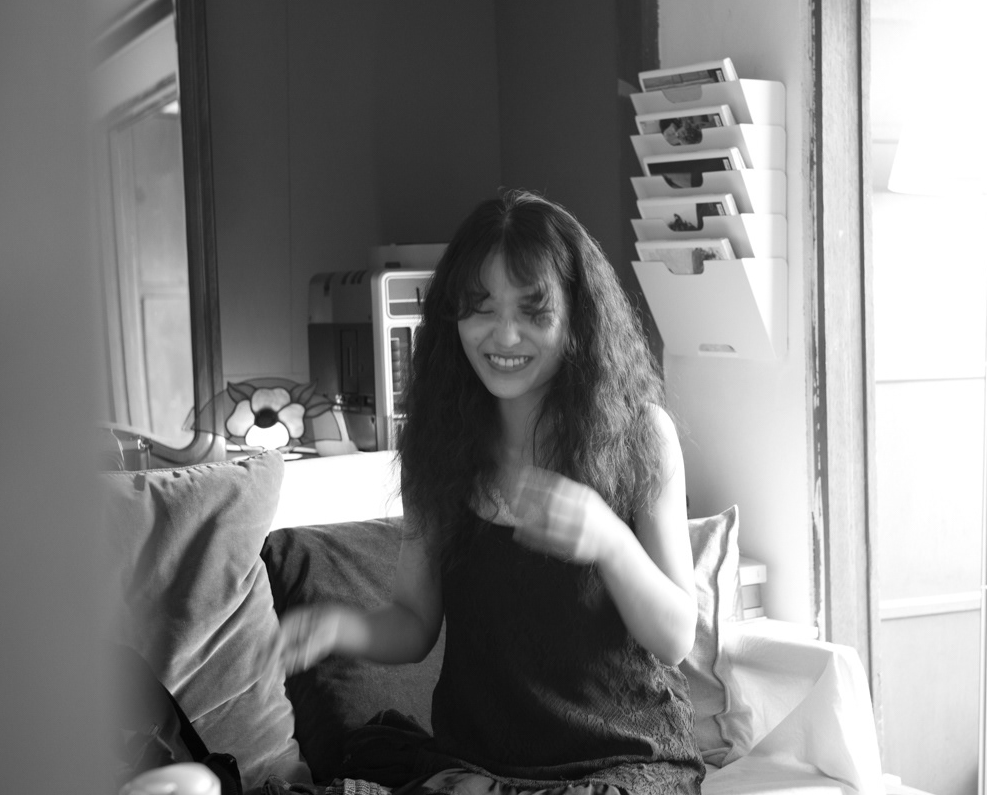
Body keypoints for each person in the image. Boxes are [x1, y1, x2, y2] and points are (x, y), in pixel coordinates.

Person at [268, 190, 705, 795]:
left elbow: (677, 638)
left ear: (578, 319)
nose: (505, 334)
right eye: (481, 308)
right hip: (479, 765)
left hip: (619, 760)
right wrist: (336, 629)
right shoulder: (439, 448)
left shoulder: (641, 436)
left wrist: (609, 540)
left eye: (534, 310)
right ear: (453, 315)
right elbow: (414, 622)